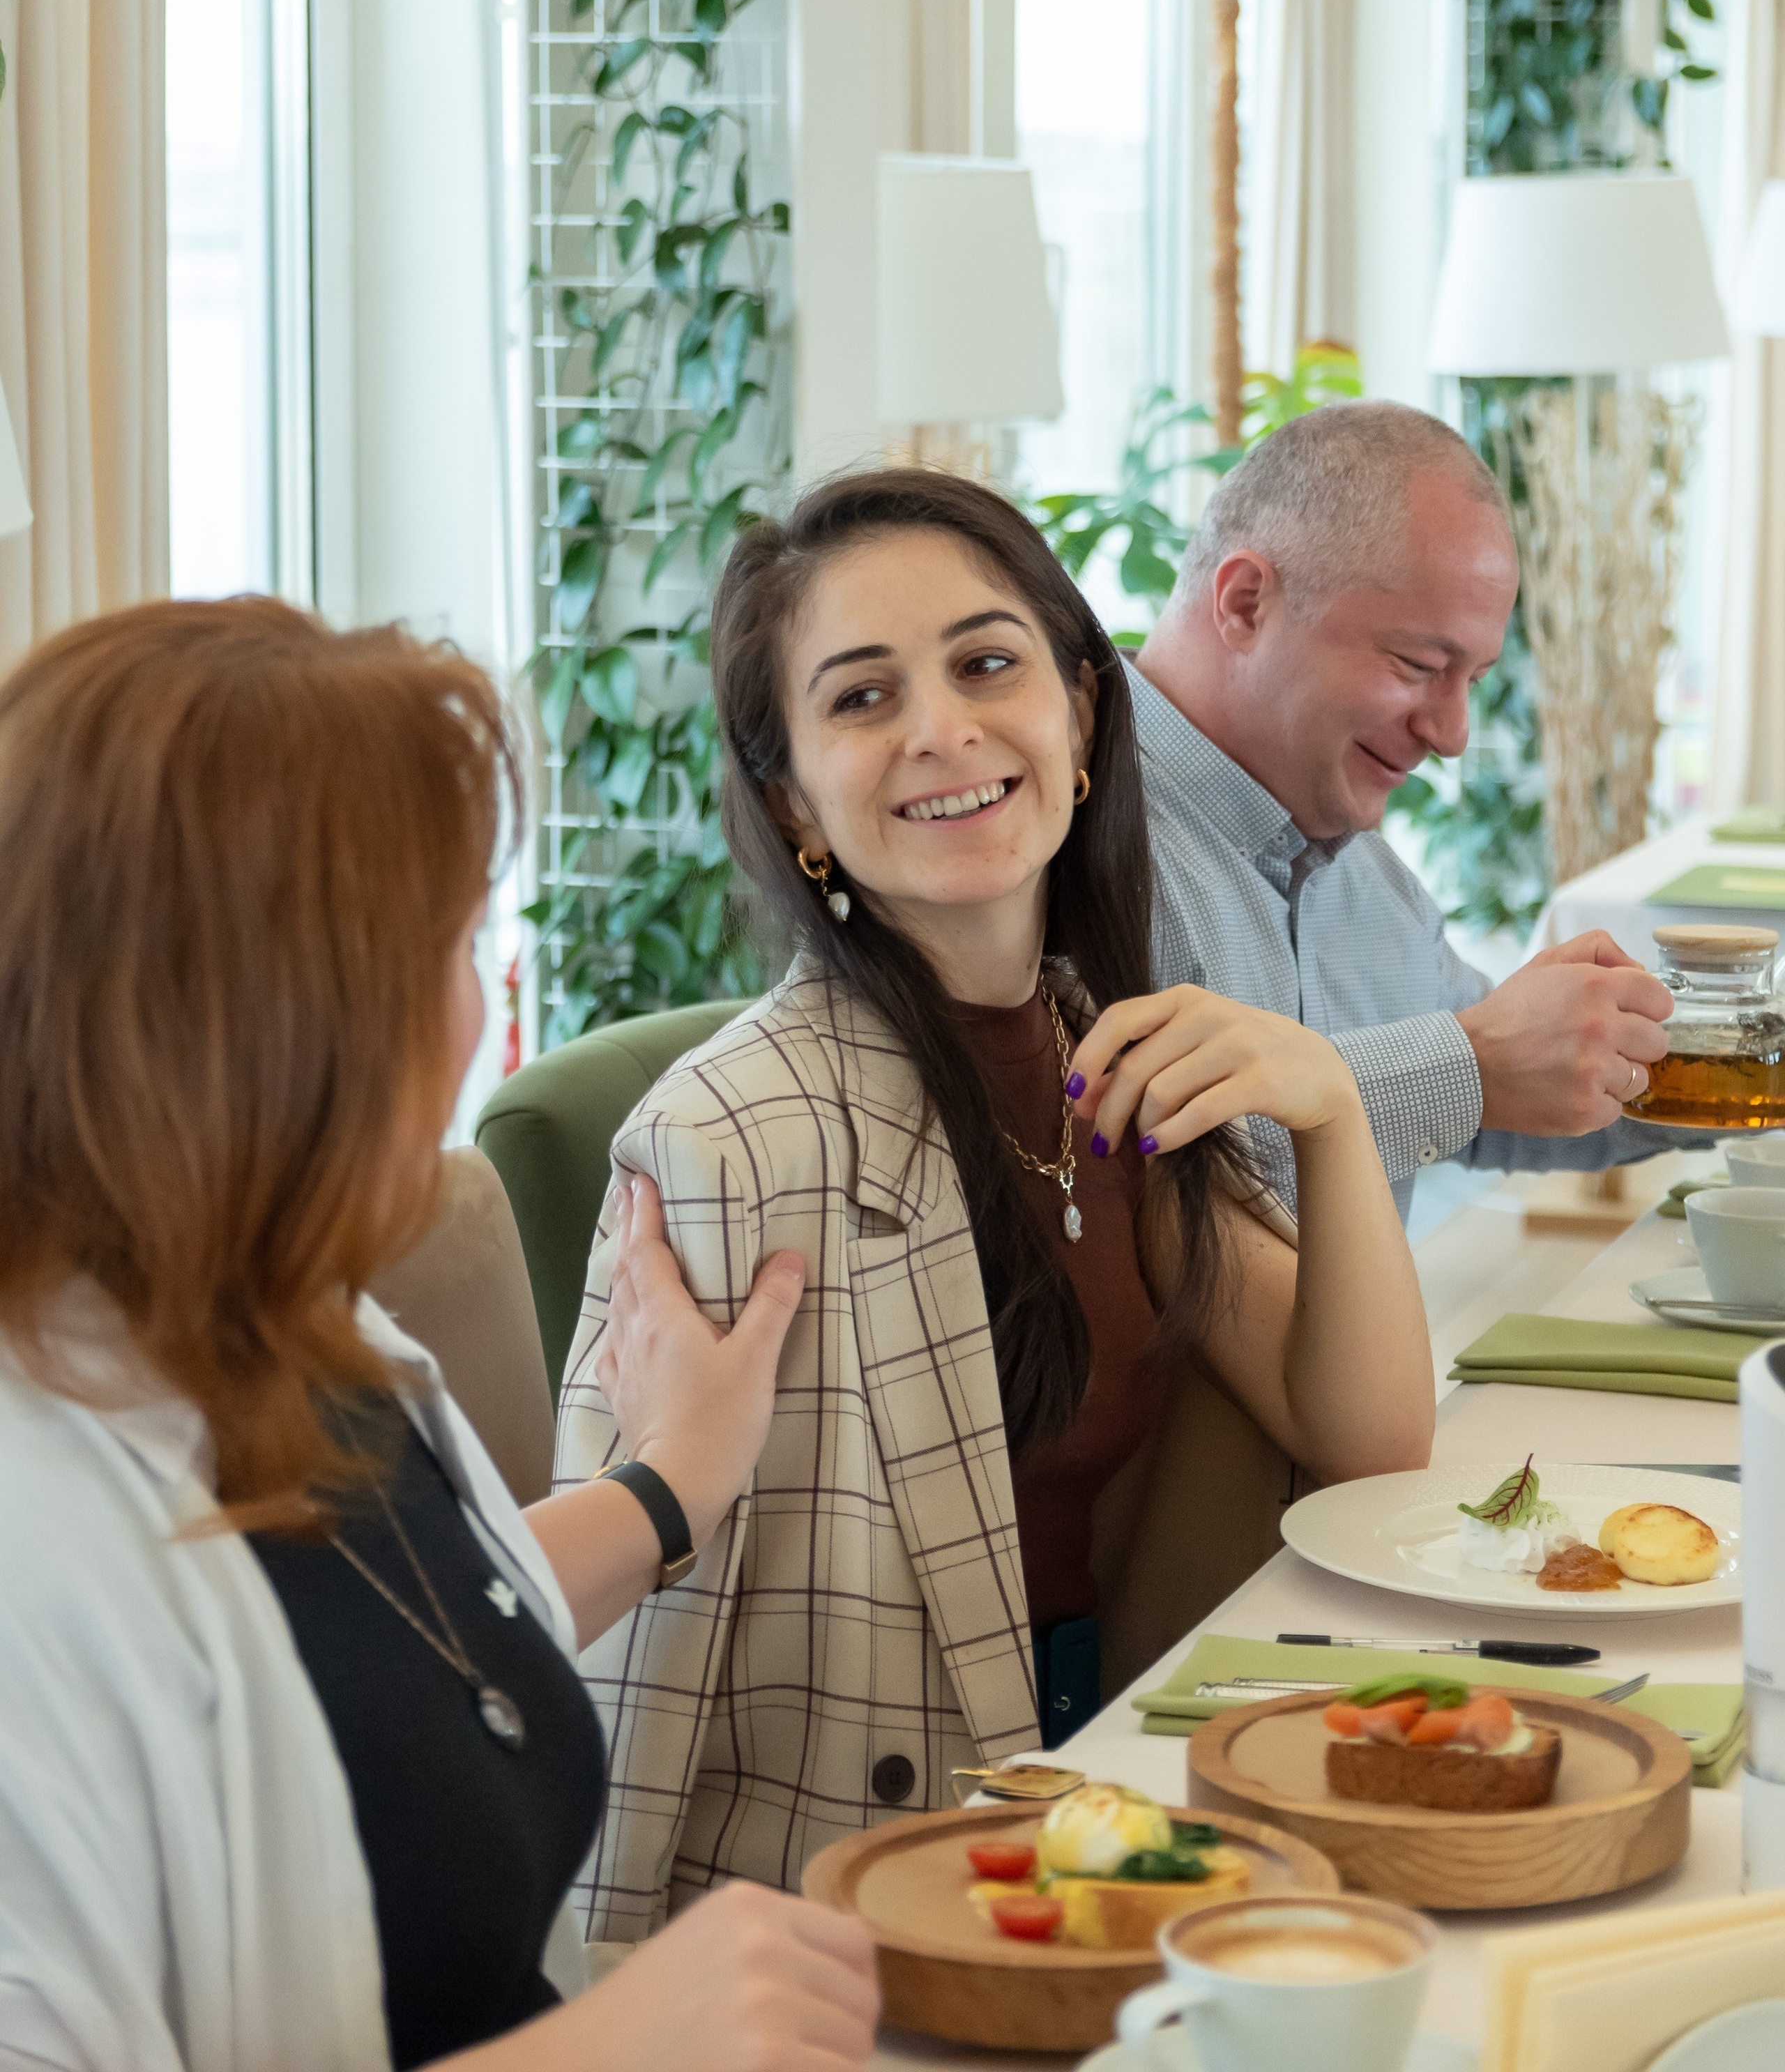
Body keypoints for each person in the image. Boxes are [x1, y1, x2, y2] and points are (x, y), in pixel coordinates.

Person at [556, 467, 1434, 1944]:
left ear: (1081, 718)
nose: (942, 731)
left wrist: (1332, 1115)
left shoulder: (1099, 1039)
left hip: (1124, 1789)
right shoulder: (729, 1144)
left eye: (984, 664)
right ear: (793, 804)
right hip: (873, 1885)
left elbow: (1366, 1440)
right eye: (858, 699)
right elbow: (631, 1684)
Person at [0, 598, 879, 2072]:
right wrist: (611, 2045)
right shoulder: (34, 1533)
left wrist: (673, 1485)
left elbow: (369, 1649)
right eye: (457, 942)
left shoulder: (278, 1310)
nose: (478, 1006)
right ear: (281, 1025)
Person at [1130, 399, 1693, 1221]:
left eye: (1471, 680)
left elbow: (1508, 1100)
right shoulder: (1049, 831)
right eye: (1419, 663)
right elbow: (1128, 1163)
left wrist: (1748, 1071)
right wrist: (1467, 1065)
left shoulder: (1366, 877)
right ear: (1246, 601)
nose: (1452, 735)